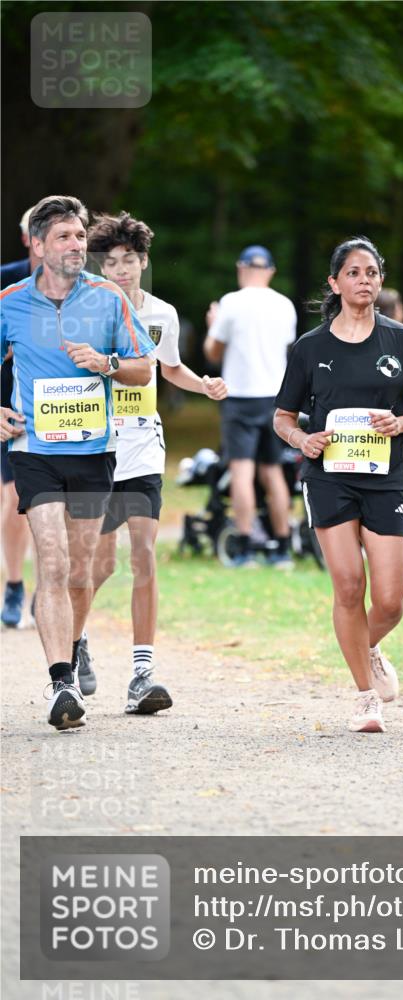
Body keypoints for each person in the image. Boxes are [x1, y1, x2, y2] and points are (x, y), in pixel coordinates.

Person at [273, 236, 403, 734]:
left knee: (391, 598)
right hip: (329, 478)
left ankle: (365, 646)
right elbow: (282, 417)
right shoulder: (311, 347)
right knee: (349, 585)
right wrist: (302, 439)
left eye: (371, 272)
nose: (363, 280)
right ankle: (365, 698)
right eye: (353, 272)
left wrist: (401, 424)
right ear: (335, 283)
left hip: (388, 478)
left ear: (380, 280)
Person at [0, 194, 154, 731]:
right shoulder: (10, 301)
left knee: (84, 571)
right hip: (35, 451)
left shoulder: (109, 299)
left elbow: (143, 370)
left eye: (80, 236)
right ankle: (61, 682)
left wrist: (107, 363)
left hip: (94, 451)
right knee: (53, 560)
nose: (76, 245)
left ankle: (74, 641)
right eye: (64, 236)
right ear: (38, 245)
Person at [78, 212, 228, 711]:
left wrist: (203, 385)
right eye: (111, 262)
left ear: (144, 262)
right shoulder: (84, 309)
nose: (120, 270)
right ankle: (75, 643)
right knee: (98, 566)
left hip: (142, 445)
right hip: (96, 446)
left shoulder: (161, 313)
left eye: (129, 261)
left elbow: (172, 367)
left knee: (143, 554)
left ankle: (142, 673)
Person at [204, 245, 297, 568]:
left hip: (239, 395)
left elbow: (213, 353)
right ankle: (283, 546)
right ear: (270, 271)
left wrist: (213, 325)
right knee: (274, 472)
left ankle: (244, 546)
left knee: (241, 471)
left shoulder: (231, 303)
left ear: (241, 268)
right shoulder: (285, 306)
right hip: (275, 397)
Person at [1, 206, 37, 627]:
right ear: (29, 239)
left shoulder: (83, 290)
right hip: (8, 398)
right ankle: (13, 586)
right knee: (13, 498)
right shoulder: (5, 281)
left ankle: (47, 594)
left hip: (55, 403)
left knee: (54, 504)